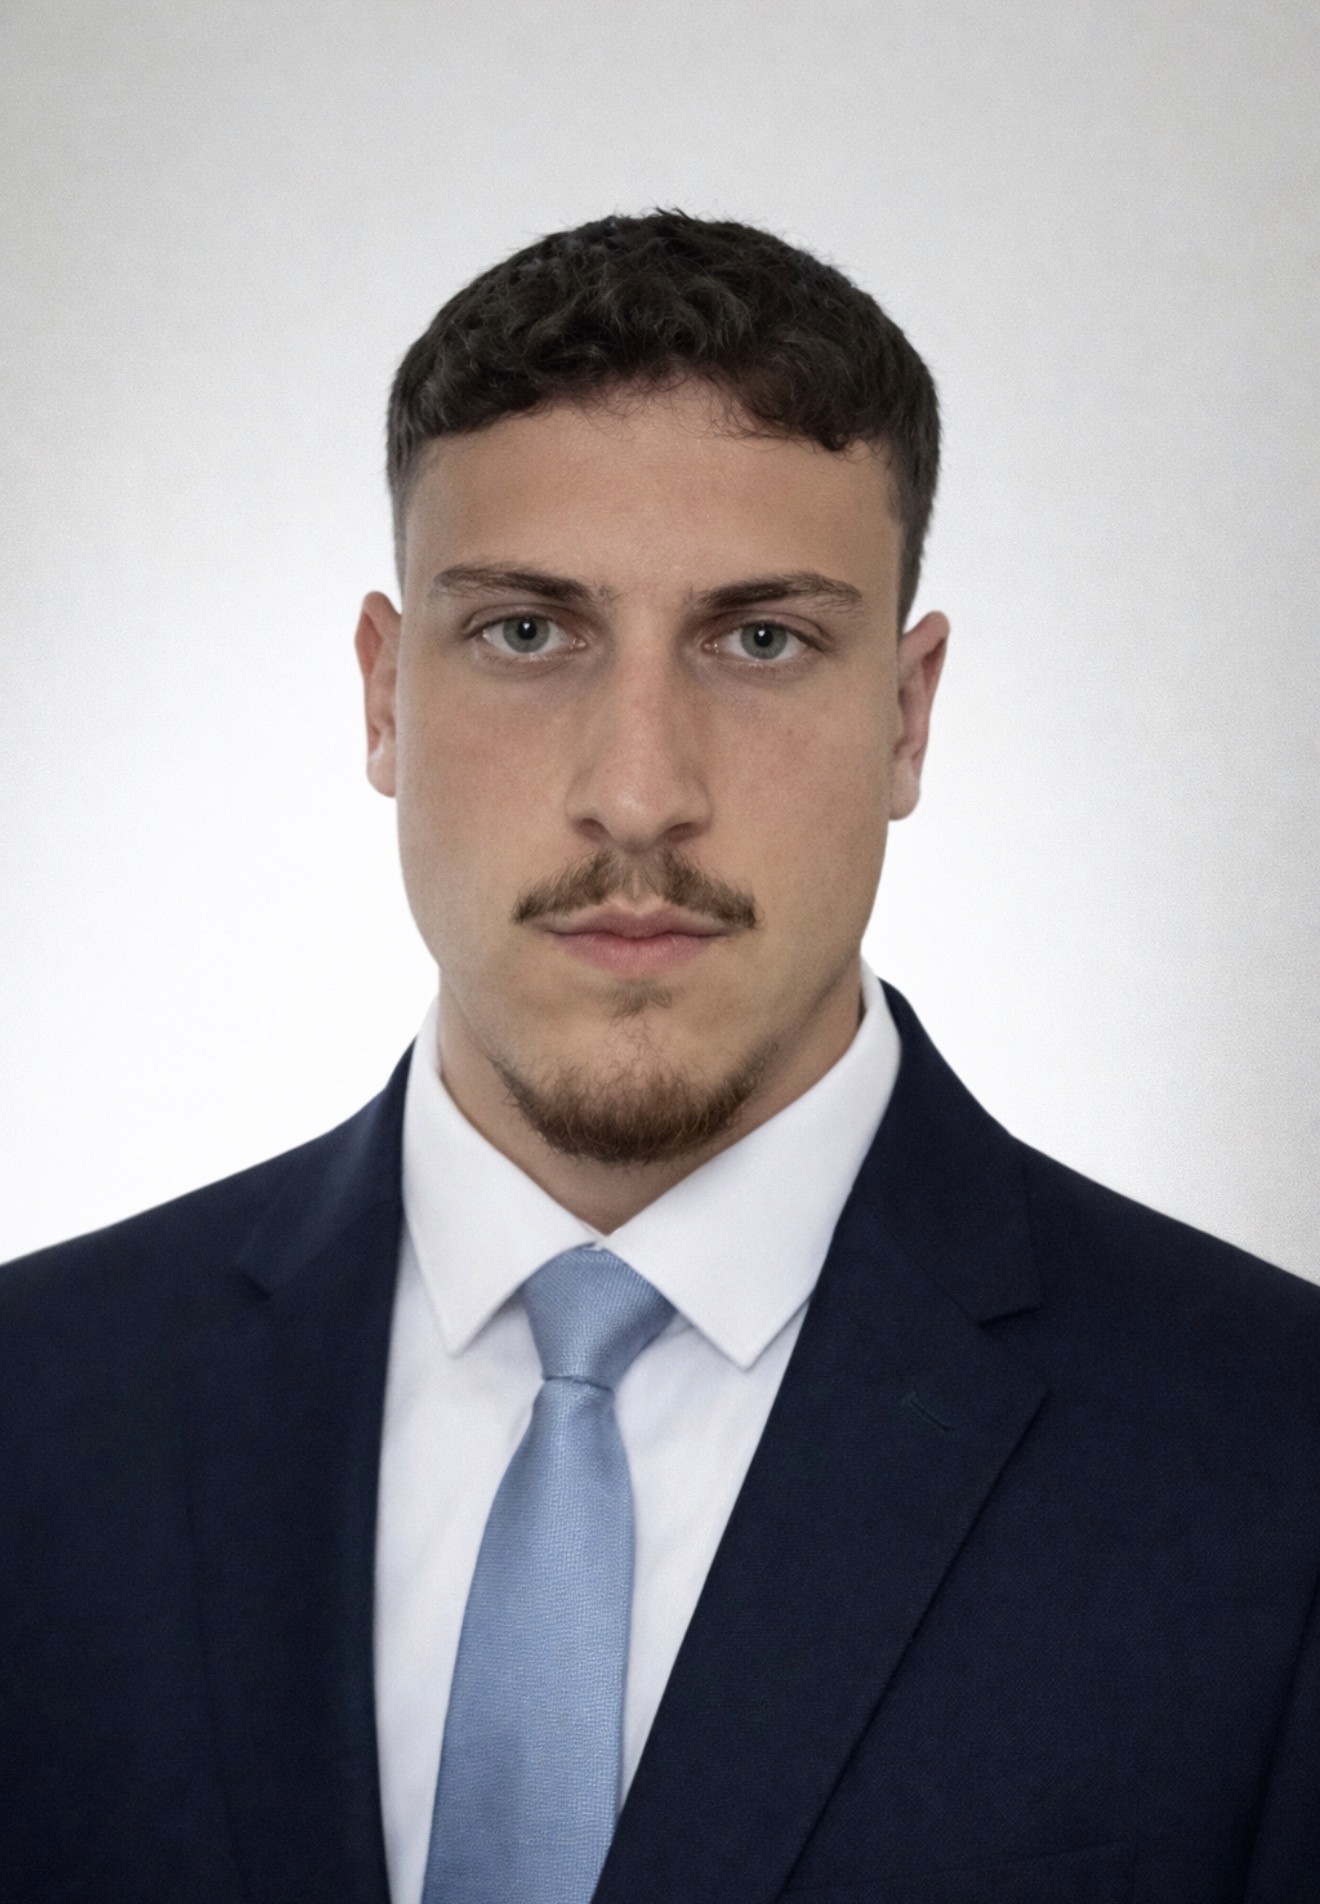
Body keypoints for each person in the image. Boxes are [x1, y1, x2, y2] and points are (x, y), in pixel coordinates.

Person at [2, 210, 1318, 1904]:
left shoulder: (1273, 1468)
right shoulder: (34, 1424)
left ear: (907, 716)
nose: (640, 793)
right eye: (530, 634)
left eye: (760, 639)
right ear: (384, 696)